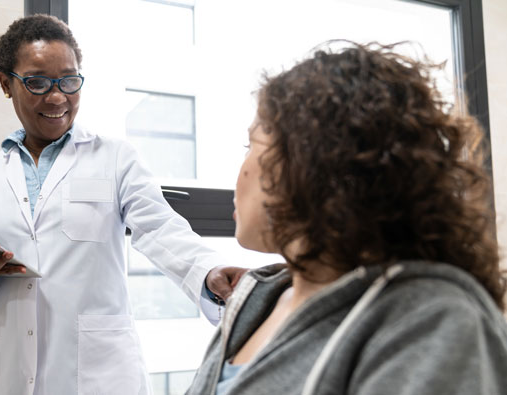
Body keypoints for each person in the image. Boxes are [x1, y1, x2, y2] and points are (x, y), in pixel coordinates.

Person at [0, 14, 246, 395]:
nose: (57, 96)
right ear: (5, 84)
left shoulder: (115, 157)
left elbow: (160, 228)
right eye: (37, 82)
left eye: (69, 80)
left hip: (100, 375)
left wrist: (208, 270)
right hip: (11, 373)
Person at [186, 42, 507, 395]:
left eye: (253, 145)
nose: (241, 170)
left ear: (313, 160)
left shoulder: (431, 321)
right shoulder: (253, 299)